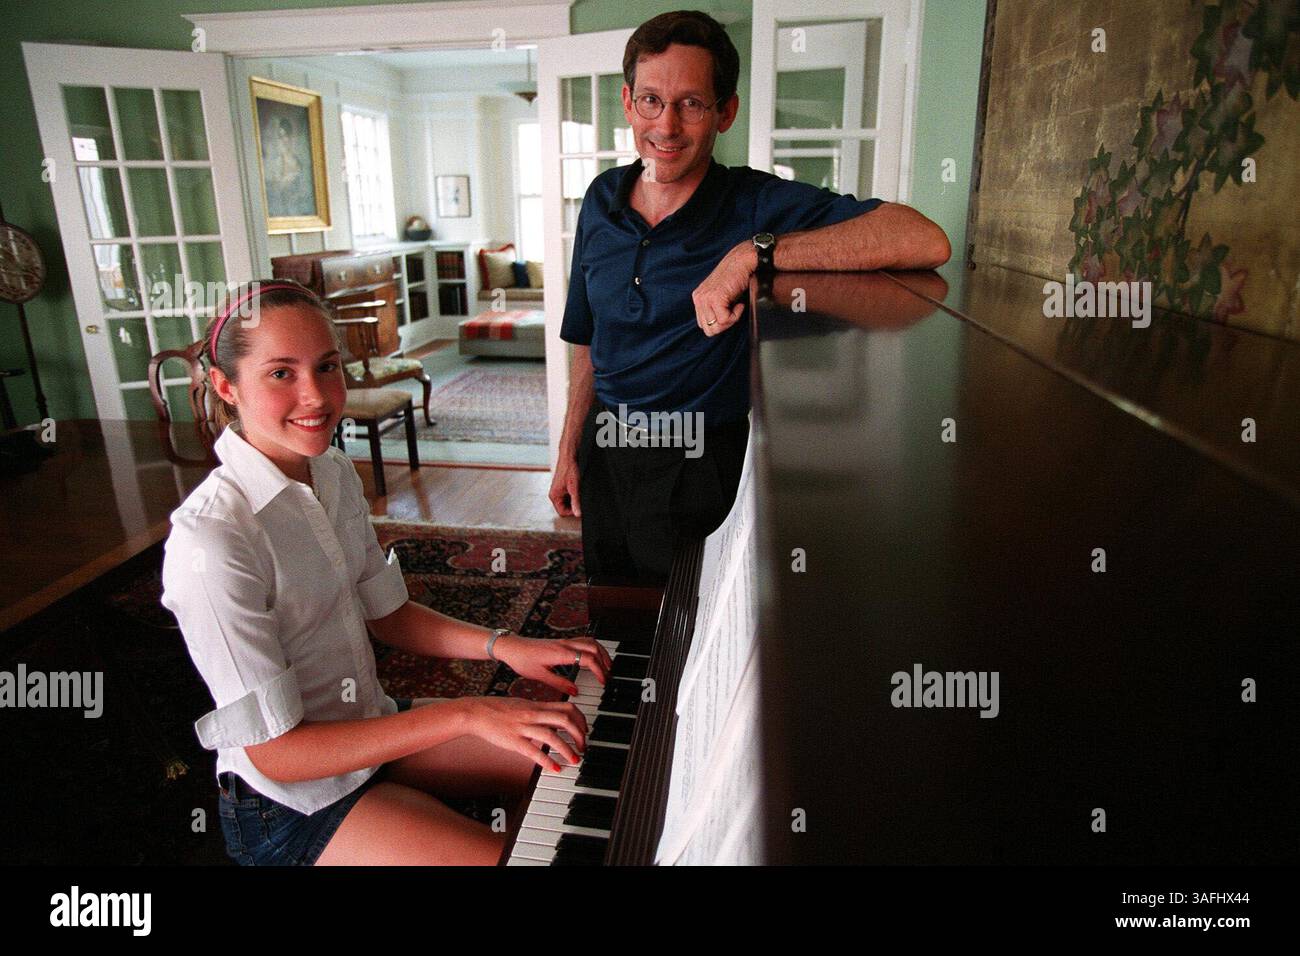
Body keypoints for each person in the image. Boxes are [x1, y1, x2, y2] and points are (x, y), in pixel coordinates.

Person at [160, 279, 611, 865]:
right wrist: (468, 711)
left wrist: (506, 647)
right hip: (295, 803)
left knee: (586, 752)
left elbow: (390, 614)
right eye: (281, 373)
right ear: (227, 386)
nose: (316, 396)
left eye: (327, 367)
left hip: (372, 731)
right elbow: (277, 755)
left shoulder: (333, 472)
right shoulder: (212, 540)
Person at [549, 10, 952, 582]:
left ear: (726, 112)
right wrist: (569, 451)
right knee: (616, 615)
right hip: (605, 450)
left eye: (691, 103)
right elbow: (586, 336)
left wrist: (750, 254)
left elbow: (922, 238)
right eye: (650, 101)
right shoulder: (600, 198)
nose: (665, 127)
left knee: (692, 642)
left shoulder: (752, 203)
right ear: (627, 102)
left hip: (700, 461)